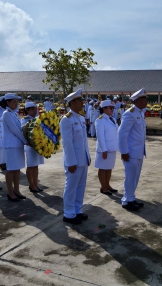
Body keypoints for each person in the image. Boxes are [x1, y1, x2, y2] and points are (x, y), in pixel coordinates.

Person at [60, 88, 90, 224]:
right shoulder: (66, 120)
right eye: (79, 101)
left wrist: (87, 156)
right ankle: (69, 213)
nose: (82, 103)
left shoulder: (81, 118)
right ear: (72, 103)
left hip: (83, 159)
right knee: (71, 187)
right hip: (74, 161)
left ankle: (77, 209)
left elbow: (84, 140)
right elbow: (67, 143)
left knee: (81, 186)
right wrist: (71, 161)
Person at [118, 88, 147, 211]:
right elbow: (121, 134)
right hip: (130, 152)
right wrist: (123, 151)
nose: (146, 101)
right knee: (130, 177)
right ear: (138, 100)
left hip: (139, 151)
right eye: (144, 99)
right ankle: (126, 200)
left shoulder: (140, 112)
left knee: (135, 177)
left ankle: (131, 198)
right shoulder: (130, 113)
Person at [2, 93, 28, 202]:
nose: (16, 103)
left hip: (17, 144)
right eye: (13, 101)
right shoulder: (6, 113)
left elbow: (18, 128)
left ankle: (17, 191)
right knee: (11, 169)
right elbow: (14, 130)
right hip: (11, 145)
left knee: (17, 169)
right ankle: (10, 192)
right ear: (7, 102)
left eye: (17, 101)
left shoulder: (13, 113)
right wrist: (25, 140)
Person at [95, 100, 119, 195]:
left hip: (112, 148)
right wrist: (104, 150)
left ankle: (107, 184)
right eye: (110, 108)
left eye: (113, 108)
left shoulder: (111, 119)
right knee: (102, 168)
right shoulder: (100, 120)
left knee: (109, 168)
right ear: (104, 108)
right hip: (104, 149)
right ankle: (103, 187)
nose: (112, 109)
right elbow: (100, 136)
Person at [20, 102, 44, 193]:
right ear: (28, 110)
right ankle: (31, 185)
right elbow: (23, 130)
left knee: (36, 165)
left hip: (37, 145)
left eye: (35, 109)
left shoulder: (37, 119)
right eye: (33, 109)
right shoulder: (25, 120)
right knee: (30, 165)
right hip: (30, 146)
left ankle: (35, 184)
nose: (35, 111)